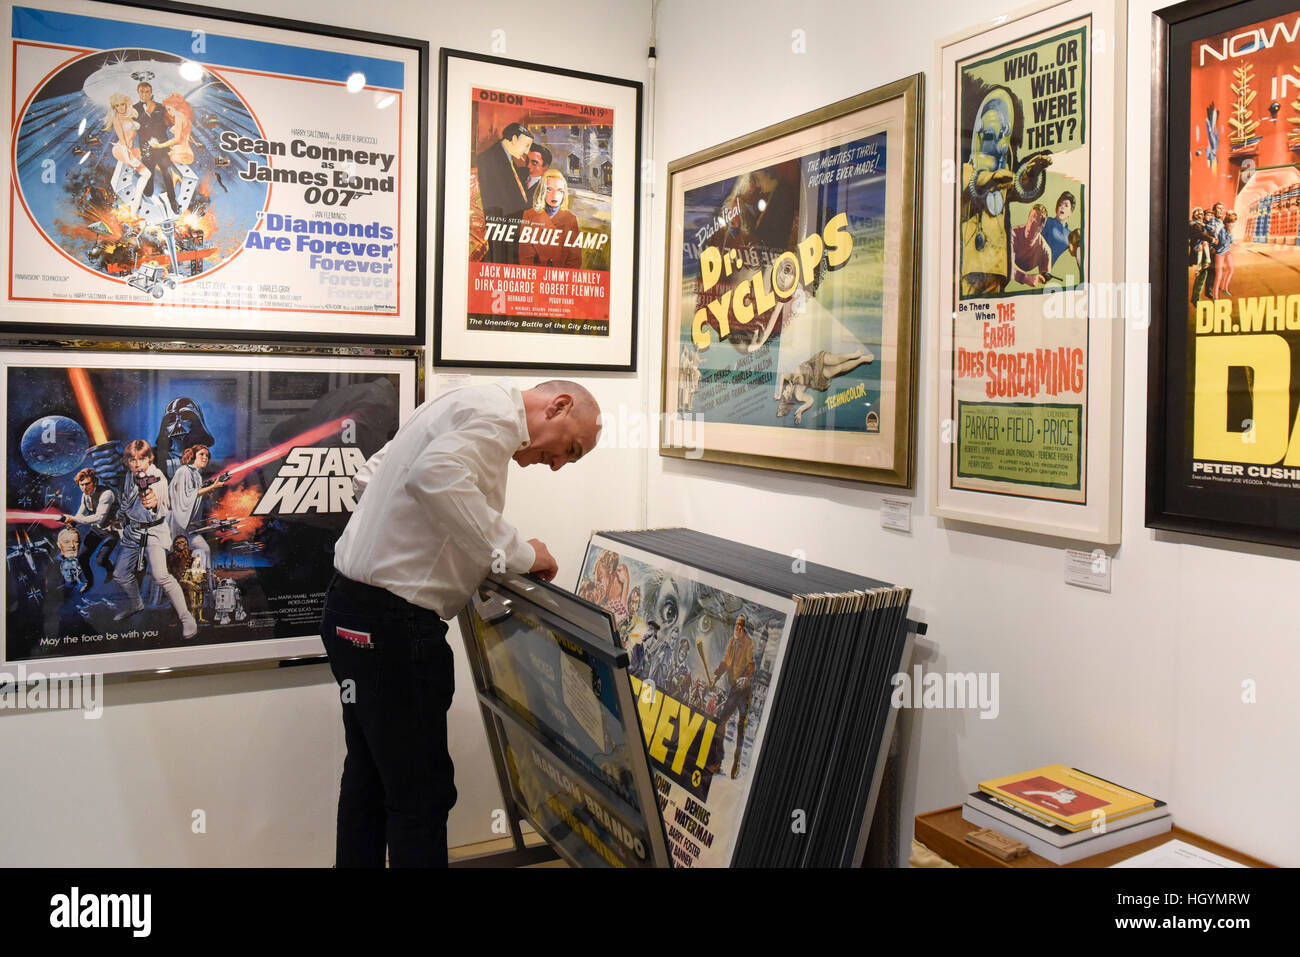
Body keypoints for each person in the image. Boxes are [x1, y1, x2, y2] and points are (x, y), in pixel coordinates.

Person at [320, 378, 601, 867]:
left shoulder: (462, 400)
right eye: (569, 449)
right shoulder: (495, 417)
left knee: (368, 778)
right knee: (420, 795)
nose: (556, 464)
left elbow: (375, 474)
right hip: (394, 626)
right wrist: (518, 552)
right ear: (557, 406)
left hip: (349, 609)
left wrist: (429, 545)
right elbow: (434, 478)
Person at [112, 439, 198, 639]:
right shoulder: (129, 475)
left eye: (142, 459)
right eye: (132, 460)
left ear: (149, 458)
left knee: (161, 576)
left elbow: (156, 501)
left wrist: (151, 501)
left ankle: (186, 617)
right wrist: (121, 516)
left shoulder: (157, 477)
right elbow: (126, 501)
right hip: (133, 531)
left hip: (154, 531)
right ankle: (136, 604)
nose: (137, 464)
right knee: (120, 574)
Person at [472, 122, 533, 263]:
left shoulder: (508, 159)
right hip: (498, 231)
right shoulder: (489, 159)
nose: (526, 152)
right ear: (513, 139)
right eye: (526, 145)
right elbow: (494, 202)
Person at [706, 614, 756, 780]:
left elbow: (751, 664)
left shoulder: (749, 643)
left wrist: (746, 676)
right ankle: (718, 760)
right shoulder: (732, 641)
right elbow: (726, 661)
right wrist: (716, 675)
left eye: (740, 626)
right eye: (736, 625)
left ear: (744, 628)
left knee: (741, 729)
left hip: (744, 690)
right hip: (734, 688)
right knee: (722, 721)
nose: (737, 628)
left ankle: (736, 763)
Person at [168, 444, 226, 574]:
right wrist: (210, 488)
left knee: (205, 550)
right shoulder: (183, 471)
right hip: (177, 524)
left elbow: (195, 497)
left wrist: (207, 493)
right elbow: (185, 496)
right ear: (193, 455)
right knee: (169, 557)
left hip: (190, 525)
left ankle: (204, 585)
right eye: (202, 454)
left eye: (207, 455)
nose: (205, 457)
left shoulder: (197, 475)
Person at [61, 467, 119, 592]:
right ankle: (89, 583)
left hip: (112, 532)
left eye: (87, 484)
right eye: (81, 485)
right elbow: (81, 515)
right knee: (82, 557)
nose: (84, 487)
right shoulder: (85, 496)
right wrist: (73, 522)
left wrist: (74, 519)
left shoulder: (106, 494)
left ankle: (109, 568)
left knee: (100, 561)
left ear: (95, 482)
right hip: (97, 530)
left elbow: (99, 518)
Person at [518, 169, 583, 269]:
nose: (555, 195)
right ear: (542, 191)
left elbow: (574, 260)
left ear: (564, 194)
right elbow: (525, 258)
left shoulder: (571, 219)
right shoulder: (529, 216)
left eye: (560, 191)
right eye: (549, 189)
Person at [133, 81, 178, 216]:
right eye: (142, 91)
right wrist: (147, 113)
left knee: (167, 172)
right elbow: (136, 126)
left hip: (161, 146)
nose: (145, 94)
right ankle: (148, 192)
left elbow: (167, 123)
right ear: (138, 92)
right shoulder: (134, 108)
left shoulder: (161, 107)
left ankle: (173, 201)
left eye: (147, 91)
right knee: (149, 175)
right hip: (146, 147)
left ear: (151, 92)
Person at [103, 92, 150, 215]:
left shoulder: (129, 116)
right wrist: (128, 158)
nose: (120, 108)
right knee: (146, 173)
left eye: (122, 104)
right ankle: (135, 204)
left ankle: (136, 202)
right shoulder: (117, 119)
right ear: (114, 108)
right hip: (122, 150)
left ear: (126, 104)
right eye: (117, 106)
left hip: (130, 150)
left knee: (148, 170)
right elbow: (123, 141)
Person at [1011, 203, 1053, 287]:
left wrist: (1043, 278)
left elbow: (1044, 277)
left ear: (1041, 227)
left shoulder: (1045, 250)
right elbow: (1007, 266)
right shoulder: (1013, 234)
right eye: (1030, 220)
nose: (1030, 226)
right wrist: (1025, 277)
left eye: (1035, 223)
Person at [1043, 191, 1076, 265]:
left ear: (1070, 212)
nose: (1062, 207)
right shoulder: (1047, 221)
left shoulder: (1070, 234)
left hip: (1053, 270)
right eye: (1060, 204)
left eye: (1066, 205)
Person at [1213, 211, 1238, 299]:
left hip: (1227, 252)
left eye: (1233, 222)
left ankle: (1224, 288)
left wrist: (1232, 239)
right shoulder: (1222, 231)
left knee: (1231, 269)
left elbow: (1230, 242)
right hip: (1220, 253)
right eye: (1230, 223)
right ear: (1226, 223)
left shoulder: (1229, 230)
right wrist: (1230, 233)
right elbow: (1223, 242)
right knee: (1218, 275)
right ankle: (1215, 296)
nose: (1232, 225)